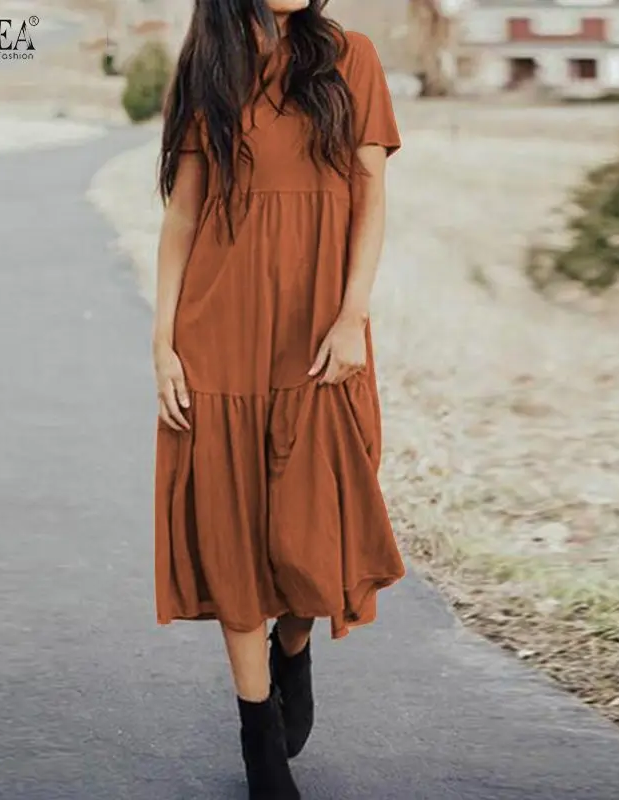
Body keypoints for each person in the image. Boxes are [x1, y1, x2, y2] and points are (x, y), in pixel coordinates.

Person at [153, 1, 405, 795]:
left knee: (315, 527)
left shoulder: (351, 57)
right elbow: (184, 214)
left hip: (318, 331)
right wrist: (163, 342)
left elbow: (370, 192)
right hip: (219, 333)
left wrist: (352, 315)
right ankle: (257, 732)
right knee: (230, 526)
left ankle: (292, 647)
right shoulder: (209, 69)